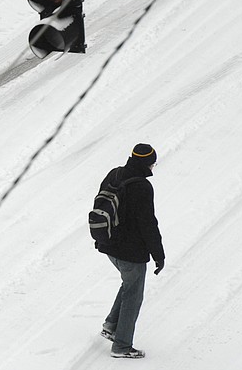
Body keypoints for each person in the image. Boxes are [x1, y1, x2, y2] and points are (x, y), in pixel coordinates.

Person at [97, 143, 165, 359]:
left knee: (129, 284)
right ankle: (122, 346)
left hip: (108, 243)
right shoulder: (142, 187)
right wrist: (158, 254)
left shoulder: (115, 174)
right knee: (134, 294)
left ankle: (111, 326)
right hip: (130, 250)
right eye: (153, 163)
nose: (153, 167)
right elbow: (148, 224)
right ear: (146, 163)